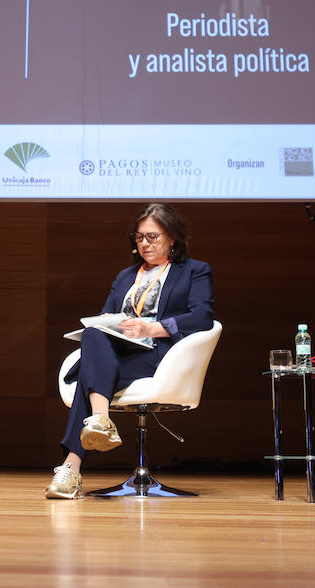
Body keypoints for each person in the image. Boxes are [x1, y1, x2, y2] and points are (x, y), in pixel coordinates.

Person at [45, 202, 214, 499]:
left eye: (153, 237)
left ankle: (71, 468)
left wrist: (153, 328)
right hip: (119, 355)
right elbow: (106, 318)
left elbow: (202, 316)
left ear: (172, 237)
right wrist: (111, 327)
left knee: (90, 374)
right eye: (139, 237)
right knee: (94, 333)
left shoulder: (194, 271)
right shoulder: (126, 276)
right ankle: (98, 420)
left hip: (160, 357)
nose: (145, 244)